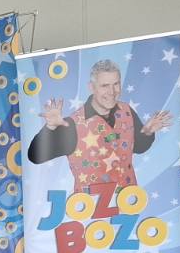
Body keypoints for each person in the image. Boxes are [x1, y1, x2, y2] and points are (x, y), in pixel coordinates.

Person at [26, 59, 171, 192]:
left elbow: (138, 147)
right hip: (91, 208)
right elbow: (35, 156)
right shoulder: (73, 124)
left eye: (116, 84)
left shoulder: (126, 111)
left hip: (129, 202)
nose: (112, 92)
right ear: (92, 87)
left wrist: (148, 131)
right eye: (105, 86)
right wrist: (50, 128)